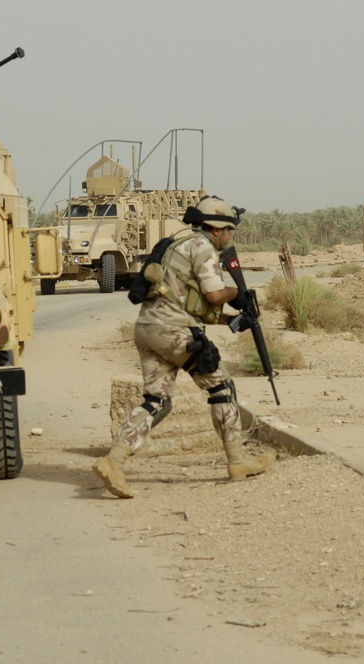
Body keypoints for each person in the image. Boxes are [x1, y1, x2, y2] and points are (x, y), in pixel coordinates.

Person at [92, 196, 276, 499]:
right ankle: (238, 461)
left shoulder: (176, 243)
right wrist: (236, 293)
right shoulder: (202, 246)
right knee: (222, 388)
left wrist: (233, 319)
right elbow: (215, 294)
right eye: (229, 230)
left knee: (156, 401)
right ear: (217, 229)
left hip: (149, 329)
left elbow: (191, 304)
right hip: (175, 333)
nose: (230, 236)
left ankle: (114, 461)